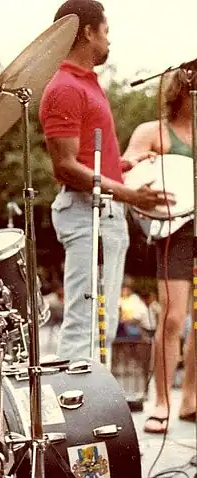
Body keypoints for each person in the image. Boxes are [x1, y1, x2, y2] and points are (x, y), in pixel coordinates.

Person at [39, 0, 173, 364]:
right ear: (88, 32)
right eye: (106, 31)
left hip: (100, 211)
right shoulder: (65, 87)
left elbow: (84, 157)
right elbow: (65, 166)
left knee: (103, 323)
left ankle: (92, 408)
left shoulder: (84, 85)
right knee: (87, 323)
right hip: (87, 213)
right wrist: (130, 193)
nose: (109, 40)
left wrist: (125, 165)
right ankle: (76, 413)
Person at [122, 68, 194, 433]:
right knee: (171, 318)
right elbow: (127, 167)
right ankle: (161, 401)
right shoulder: (153, 131)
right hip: (174, 230)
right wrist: (138, 164)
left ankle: (191, 399)